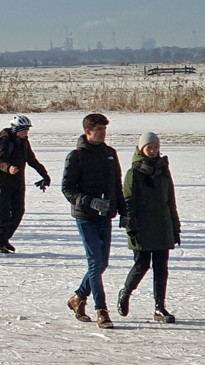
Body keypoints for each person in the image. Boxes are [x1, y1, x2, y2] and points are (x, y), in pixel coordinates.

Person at [62, 113, 123, 329]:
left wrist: (123, 212)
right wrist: (89, 201)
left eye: (105, 130)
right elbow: (67, 189)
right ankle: (102, 310)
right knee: (95, 263)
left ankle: (78, 297)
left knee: (102, 263)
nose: (103, 133)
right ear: (88, 131)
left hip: (105, 216)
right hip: (85, 217)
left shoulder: (109, 154)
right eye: (99, 130)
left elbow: (117, 185)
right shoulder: (76, 156)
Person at [119, 132, 180, 323]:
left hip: (162, 225)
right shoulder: (133, 173)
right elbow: (127, 202)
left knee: (161, 268)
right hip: (142, 227)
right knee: (141, 265)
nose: (153, 151)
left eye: (155, 147)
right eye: (149, 147)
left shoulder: (163, 170)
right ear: (141, 149)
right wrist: (131, 227)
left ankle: (159, 307)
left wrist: (175, 226)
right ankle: (125, 292)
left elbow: (170, 200)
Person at [0, 114, 50, 253]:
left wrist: (45, 175)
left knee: (18, 212)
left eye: (27, 130)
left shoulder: (24, 143)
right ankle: (0, 242)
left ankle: (4, 239)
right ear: (16, 129)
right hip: (2, 183)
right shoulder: (5, 141)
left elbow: (32, 160)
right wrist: (8, 168)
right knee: (3, 214)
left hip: (17, 183)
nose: (26, 133)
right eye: (23, 130)